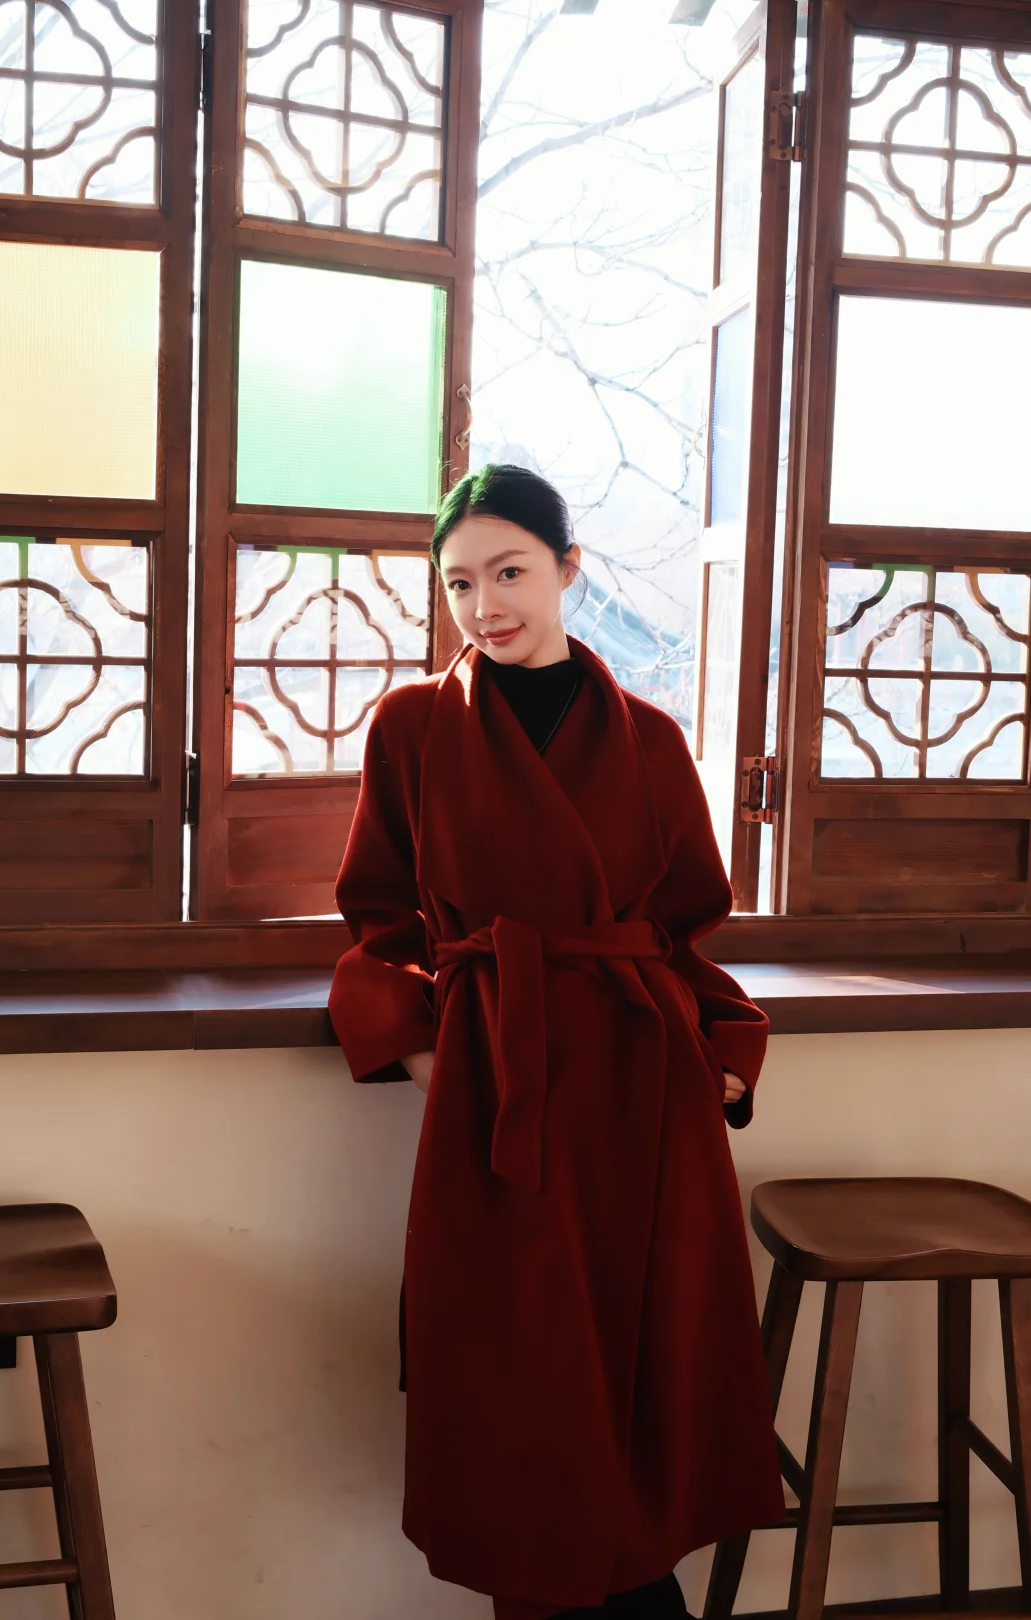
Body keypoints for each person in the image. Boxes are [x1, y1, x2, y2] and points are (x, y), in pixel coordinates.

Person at [328, 465, 784, 1620]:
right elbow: (378, 914)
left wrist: (720, 1050)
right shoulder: (412, 727)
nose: (485, 606)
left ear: (570, 570)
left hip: (641, 1087)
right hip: (499, 1085)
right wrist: (431, 1052)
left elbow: (683, 924)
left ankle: (640, 1590)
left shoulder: (653, 739)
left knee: (647, 1361)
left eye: (511, 572)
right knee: (517, 1370)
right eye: (459, 583)